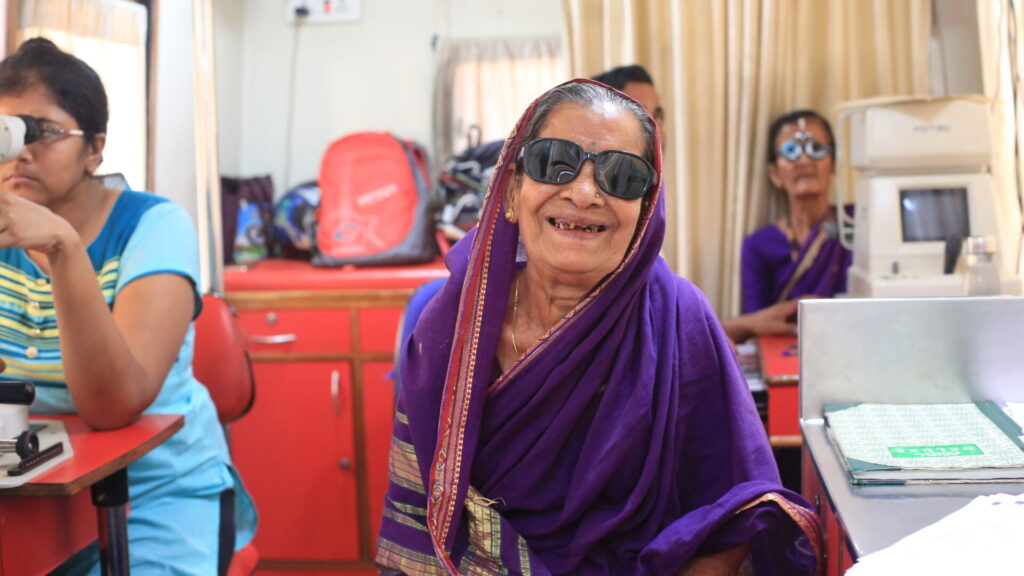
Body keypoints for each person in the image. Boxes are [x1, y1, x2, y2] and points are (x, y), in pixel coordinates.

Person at [376, 79, 819, 575]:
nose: (585, 193)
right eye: (554, 163)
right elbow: (419, 514)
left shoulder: (677, 318)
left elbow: (733, 511)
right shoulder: (455, 323)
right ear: (512, 189)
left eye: (621, 176)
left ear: (646, 210)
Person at [0, 38, 255, 574]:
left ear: (95, 149)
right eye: (6, 132)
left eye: (43, 132)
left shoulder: (153, 226)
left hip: (151, 493)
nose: (20, 152)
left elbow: (112, 405)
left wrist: (64, 249)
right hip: (29, 495)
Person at [741, 110, 852, 314]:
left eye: (816, 148)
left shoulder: (855, 223)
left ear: (833, 166)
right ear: (774, 173)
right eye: (791, 150)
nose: (804, 160)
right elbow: (755, 321)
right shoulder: (759, 245)